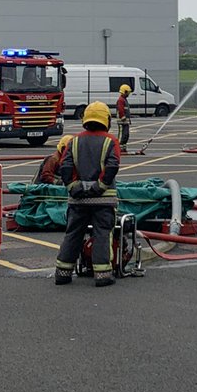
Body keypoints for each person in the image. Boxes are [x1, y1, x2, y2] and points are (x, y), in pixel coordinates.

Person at [54, 102, 120, 287]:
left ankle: (62, 273)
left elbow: (65, 165)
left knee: (73, 233)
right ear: (106, 120)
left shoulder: (73, 141)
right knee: (102, 234)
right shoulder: (110, 141)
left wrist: (73, 186)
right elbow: (112, 165)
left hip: (77, 199)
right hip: (103, 199)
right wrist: (100, 186)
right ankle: (102, 275)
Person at [116, 84, 132, 151]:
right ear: (124, 91)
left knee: (126, 135)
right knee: (121, 135)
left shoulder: (124, 99)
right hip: (122, 121)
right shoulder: (121, 100)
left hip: (126, 121)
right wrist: (123, 117)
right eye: (128, 92)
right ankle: (119, 148)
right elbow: (120, 109)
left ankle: (123, 147)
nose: (129, 94)